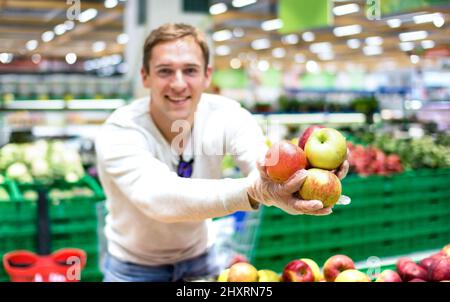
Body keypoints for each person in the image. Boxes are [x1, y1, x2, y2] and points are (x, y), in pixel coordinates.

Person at [95, 23, 349, 282]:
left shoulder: (226, 115)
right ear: (145, 76)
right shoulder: (121, 130)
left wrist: (297, 178)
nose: (179, 83)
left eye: (190, 70)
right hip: (133, 269)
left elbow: (260, 161)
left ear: (207, 75)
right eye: (165, 71)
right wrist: (251, 191)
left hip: (202, 261)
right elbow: (158, 197)